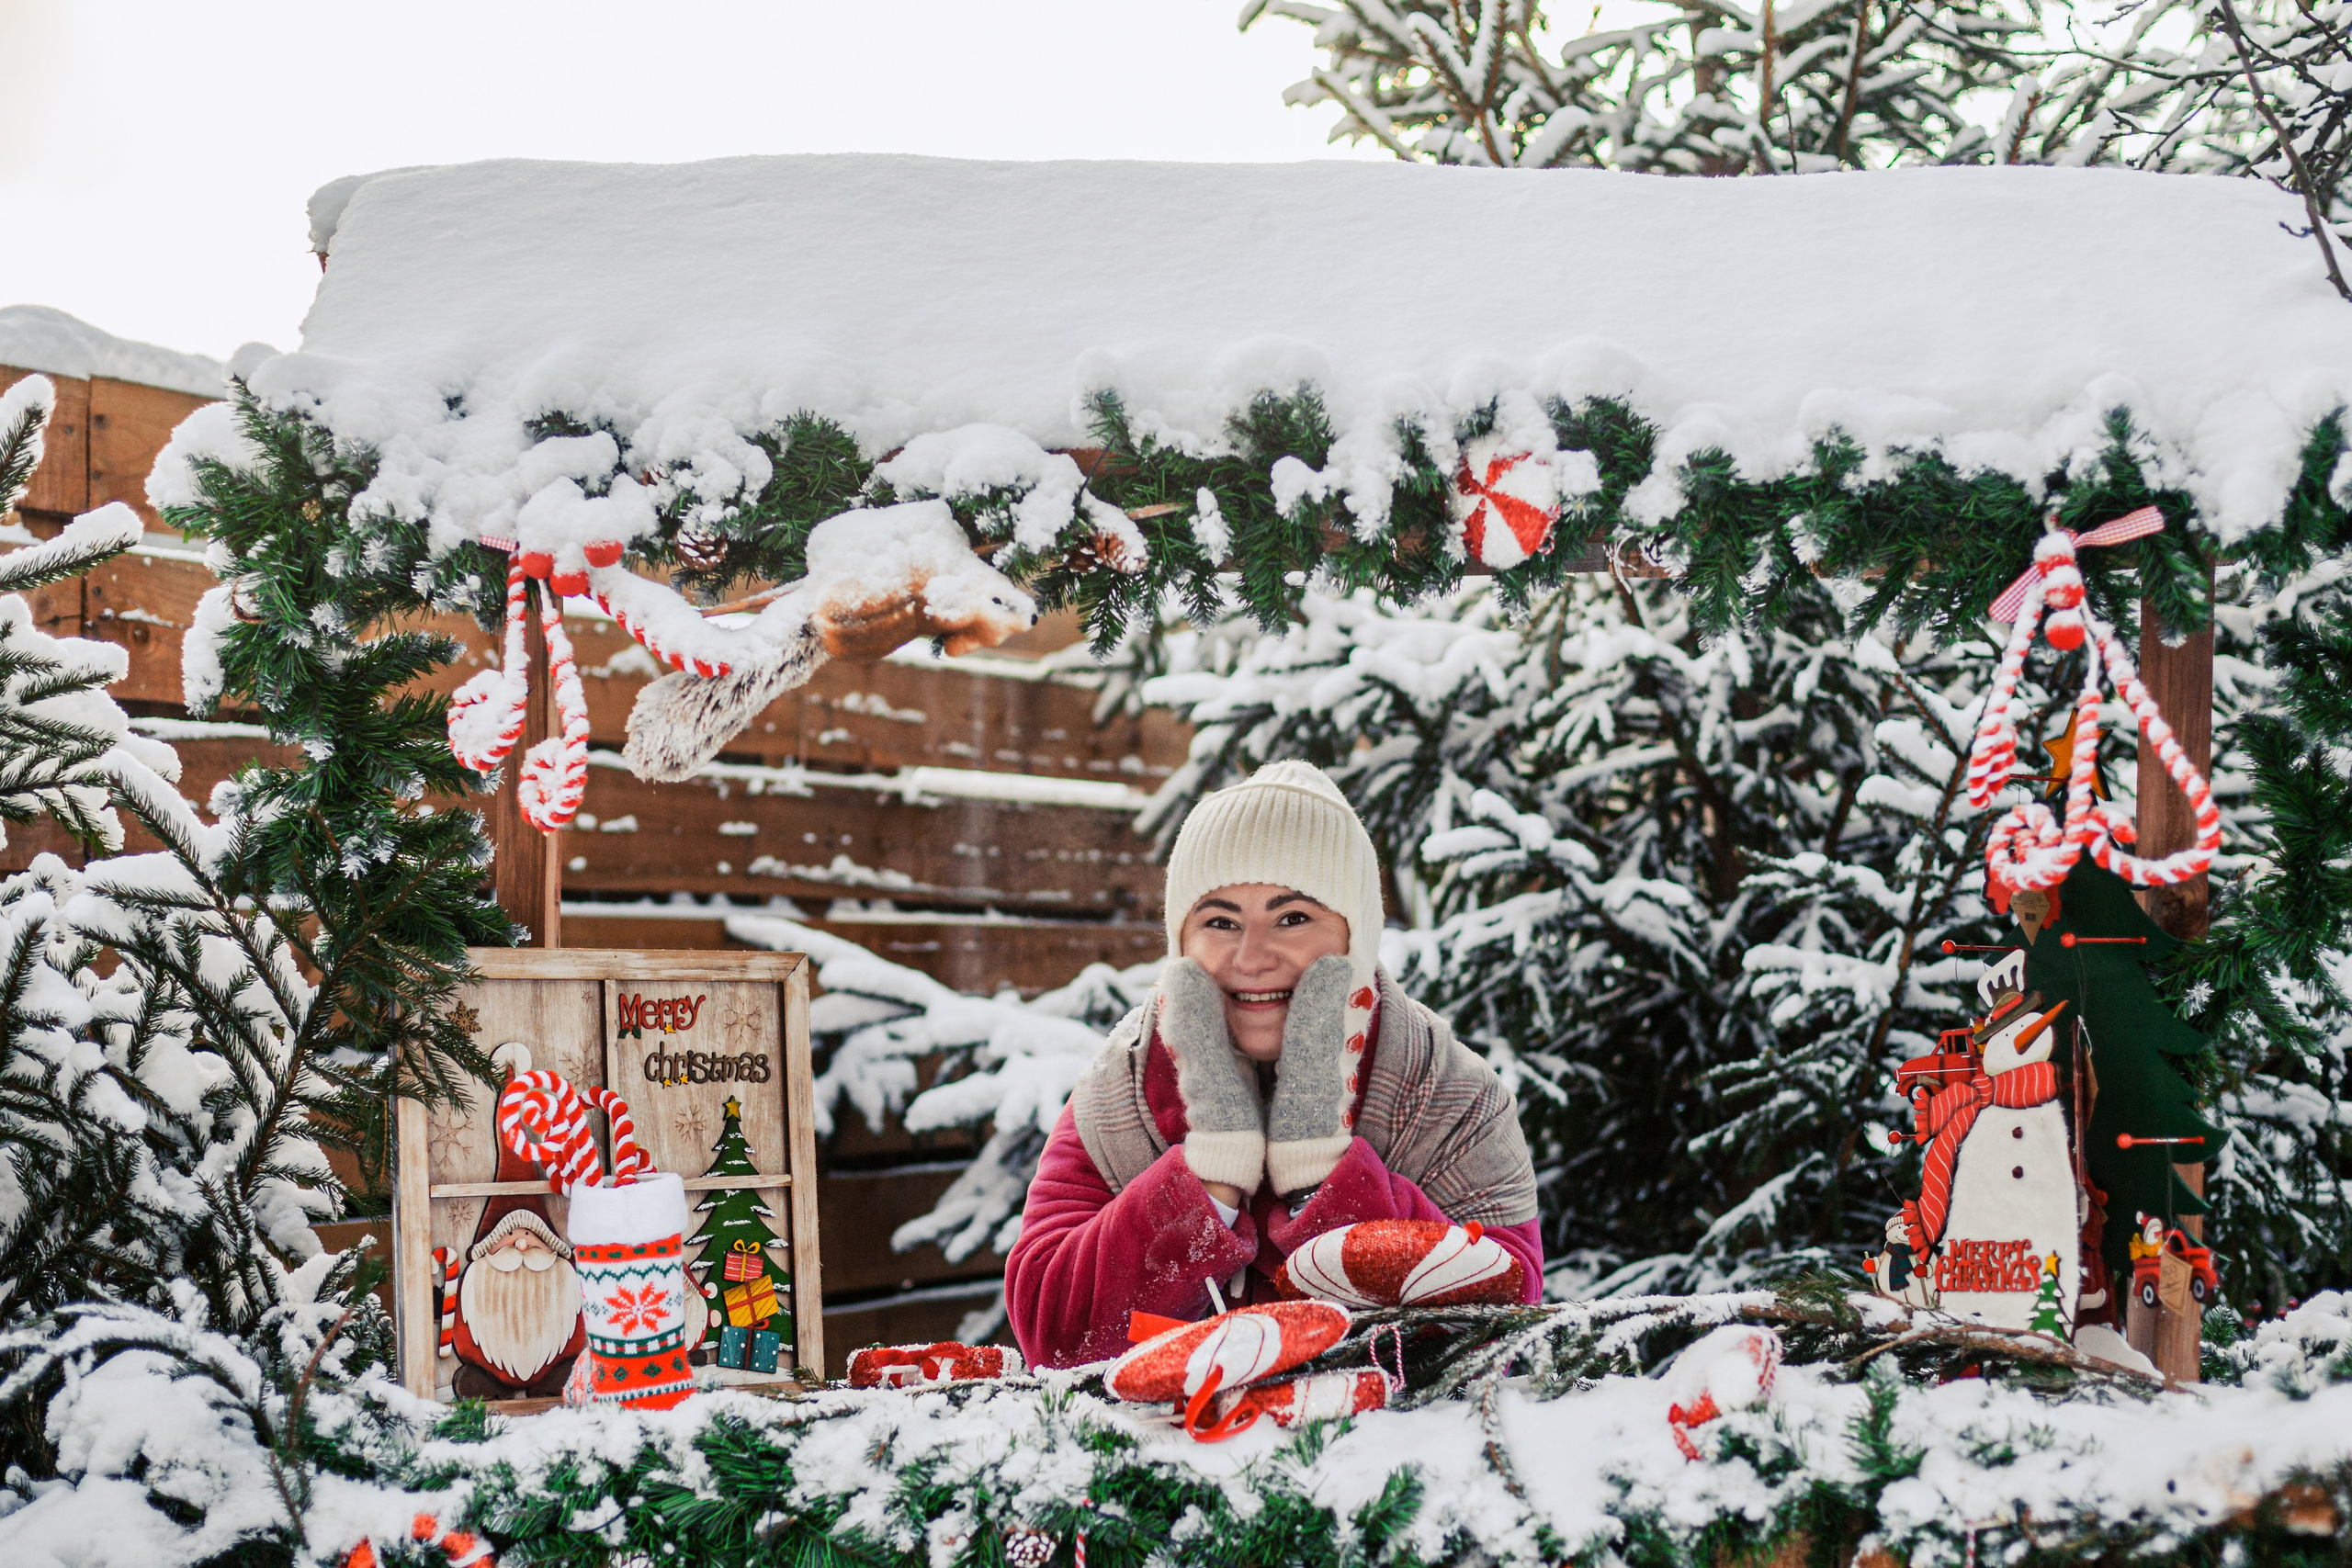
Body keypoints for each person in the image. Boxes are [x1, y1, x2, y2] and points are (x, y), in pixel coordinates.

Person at [1007, 761, 1542, 1368]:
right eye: (1220, 920)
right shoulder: (1120, 1094)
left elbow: (1507, 1320)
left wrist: (1322, 1171)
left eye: (1293, 917)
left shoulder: (1450, 1093)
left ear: (1354, 939)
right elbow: (1053, 1336)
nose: (1251, 955)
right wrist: (1207, 1177)